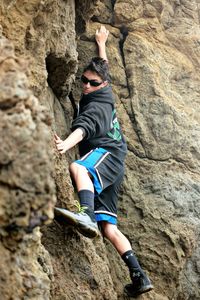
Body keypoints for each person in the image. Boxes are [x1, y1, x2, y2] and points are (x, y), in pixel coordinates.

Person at [54, 25, 153, 297]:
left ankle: (85, 215)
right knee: (109, 227)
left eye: (92, 83)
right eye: (84, 80)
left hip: (106, 153)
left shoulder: (98, 104)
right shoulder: (104, 89)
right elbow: (103, 67)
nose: (86, 85)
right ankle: (139, 276)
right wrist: (101, 43)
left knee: (78, 167)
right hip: (114, 160)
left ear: (104, 85)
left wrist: (64, 145)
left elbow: (84, 128)